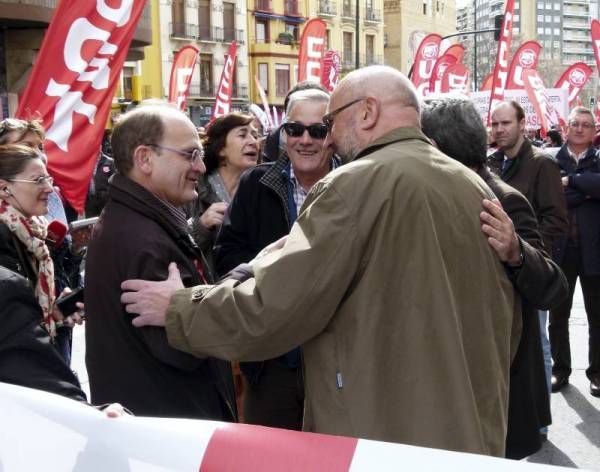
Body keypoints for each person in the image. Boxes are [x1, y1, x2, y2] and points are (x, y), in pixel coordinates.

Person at [121, 66, 519, 457]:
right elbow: (506, 315)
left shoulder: (356, 183)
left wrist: (179, 309)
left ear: (367, 112)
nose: (326, 136)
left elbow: (275, 304)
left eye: (330, 120)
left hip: (386, 436)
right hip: (467, 435)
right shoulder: (469, 183)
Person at [421, 97, 568, 459]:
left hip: (499, 385)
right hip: (448, 378)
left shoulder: (503, 200)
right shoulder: (433, 196)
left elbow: (553, 288)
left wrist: (516, 252)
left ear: (437, 148)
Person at [84, 103, 237, 420]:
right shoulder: (145, 241)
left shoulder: (136, 224)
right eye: (189, 154)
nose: (199, 166)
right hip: (171, 432)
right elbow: (181, 350)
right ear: (144, 159)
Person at [214, 89, 338, 430]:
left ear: (333, 134)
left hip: (335, 360)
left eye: (317, 130)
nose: (305, 140)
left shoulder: (355, 182)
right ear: (283, 135)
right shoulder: (255, 183)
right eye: (295, 130)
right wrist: (274, 275)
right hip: (272, 359)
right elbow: (227, 256)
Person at [487, 100, 568, 422]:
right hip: (499, 269)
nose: (499, 130)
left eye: (505, 123)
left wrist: (531, 253)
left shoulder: (541, 164)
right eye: (494, 124)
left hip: (530, 267)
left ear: (523, 124)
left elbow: (555, 220)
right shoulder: (491, 163)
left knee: (537, 341)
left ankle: (539, 419)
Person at [549, 106, 600, 397]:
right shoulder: (551, 160)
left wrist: (573, 182)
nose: (580, 129)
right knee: (558, 315)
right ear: (566, 127)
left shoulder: (598, 158)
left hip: (594, 250)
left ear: (594, 131)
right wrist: (588, 191)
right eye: (575, 124)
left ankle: (597, 373)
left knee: (598, 316)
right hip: (561, 250)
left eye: (586, 125)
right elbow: (553, 195)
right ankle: (560, 370)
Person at [186, 112, 259, 273]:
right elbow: (174, 245)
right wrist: (201, 225)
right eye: (243, 135)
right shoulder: (192, 189)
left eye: (255, 135)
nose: (253, 141)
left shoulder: (262, 190)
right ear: (221, 148)